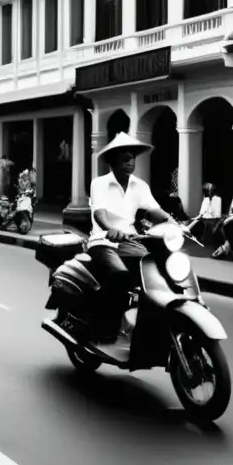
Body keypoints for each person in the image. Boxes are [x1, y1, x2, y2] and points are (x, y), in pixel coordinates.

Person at [88, 132, 176, 344]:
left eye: (132, 159)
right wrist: (110, 228)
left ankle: (148, 328)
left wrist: (173, 223)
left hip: (130, 242)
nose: (130, 163)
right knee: (119, 275)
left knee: (158, 274)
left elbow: (154, 210)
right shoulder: (99, 183)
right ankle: (105, 329)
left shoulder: (140, 185)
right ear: (113, 162)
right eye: (125, 159)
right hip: (103, 242)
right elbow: (99, 213)